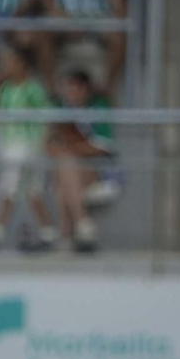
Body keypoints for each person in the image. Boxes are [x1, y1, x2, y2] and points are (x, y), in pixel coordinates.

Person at [0, 42, 55, 250]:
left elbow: (44, 117)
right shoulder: (5, 88)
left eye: (10, 62)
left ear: (22, 64)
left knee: (10, 187)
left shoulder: (33, 89)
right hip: (10, 144)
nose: (6, 66)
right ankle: (48, 232)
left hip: (29, 146)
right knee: (32, 191)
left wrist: (43, 142)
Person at [47, 67, 112, 251]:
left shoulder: (98, 109)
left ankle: (66, 237)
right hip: (70, 168)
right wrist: (68, 149)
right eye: (69, 87)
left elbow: (101, 148)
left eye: (77, 87)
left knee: (65, 171)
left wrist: (73, 148)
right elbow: (50, 145)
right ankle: (82, 224)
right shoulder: (61, 111)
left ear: (86, 90)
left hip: (96, 168)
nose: (72, 92)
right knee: (65, 174)